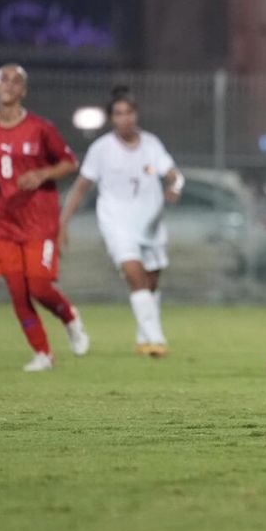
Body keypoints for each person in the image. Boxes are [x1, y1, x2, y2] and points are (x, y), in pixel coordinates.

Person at [0, 63, 89, 371]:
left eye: (16, 81)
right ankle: (43, 353)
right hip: (1, 223)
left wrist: (42, 173)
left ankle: (70, 317)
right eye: (4, 79)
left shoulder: (41, 129)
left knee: (39, 287)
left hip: (39, 220)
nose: (10, 84)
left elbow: (69, 163)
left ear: (24, 90)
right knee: (17, 291)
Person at [59, 86, 182, 358]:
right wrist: (63, 223)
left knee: (151, 282)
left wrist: (175, 185)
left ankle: (143, 339)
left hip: (149, 223)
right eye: (118, 114)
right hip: (117, 223)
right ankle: (156, 339)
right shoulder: (101, 149)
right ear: (111, 118)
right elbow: (80, 187)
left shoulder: (151, 143)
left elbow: (172, 173)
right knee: (135, 275)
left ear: (136, 114)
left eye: (129, 113)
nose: (124, 118)